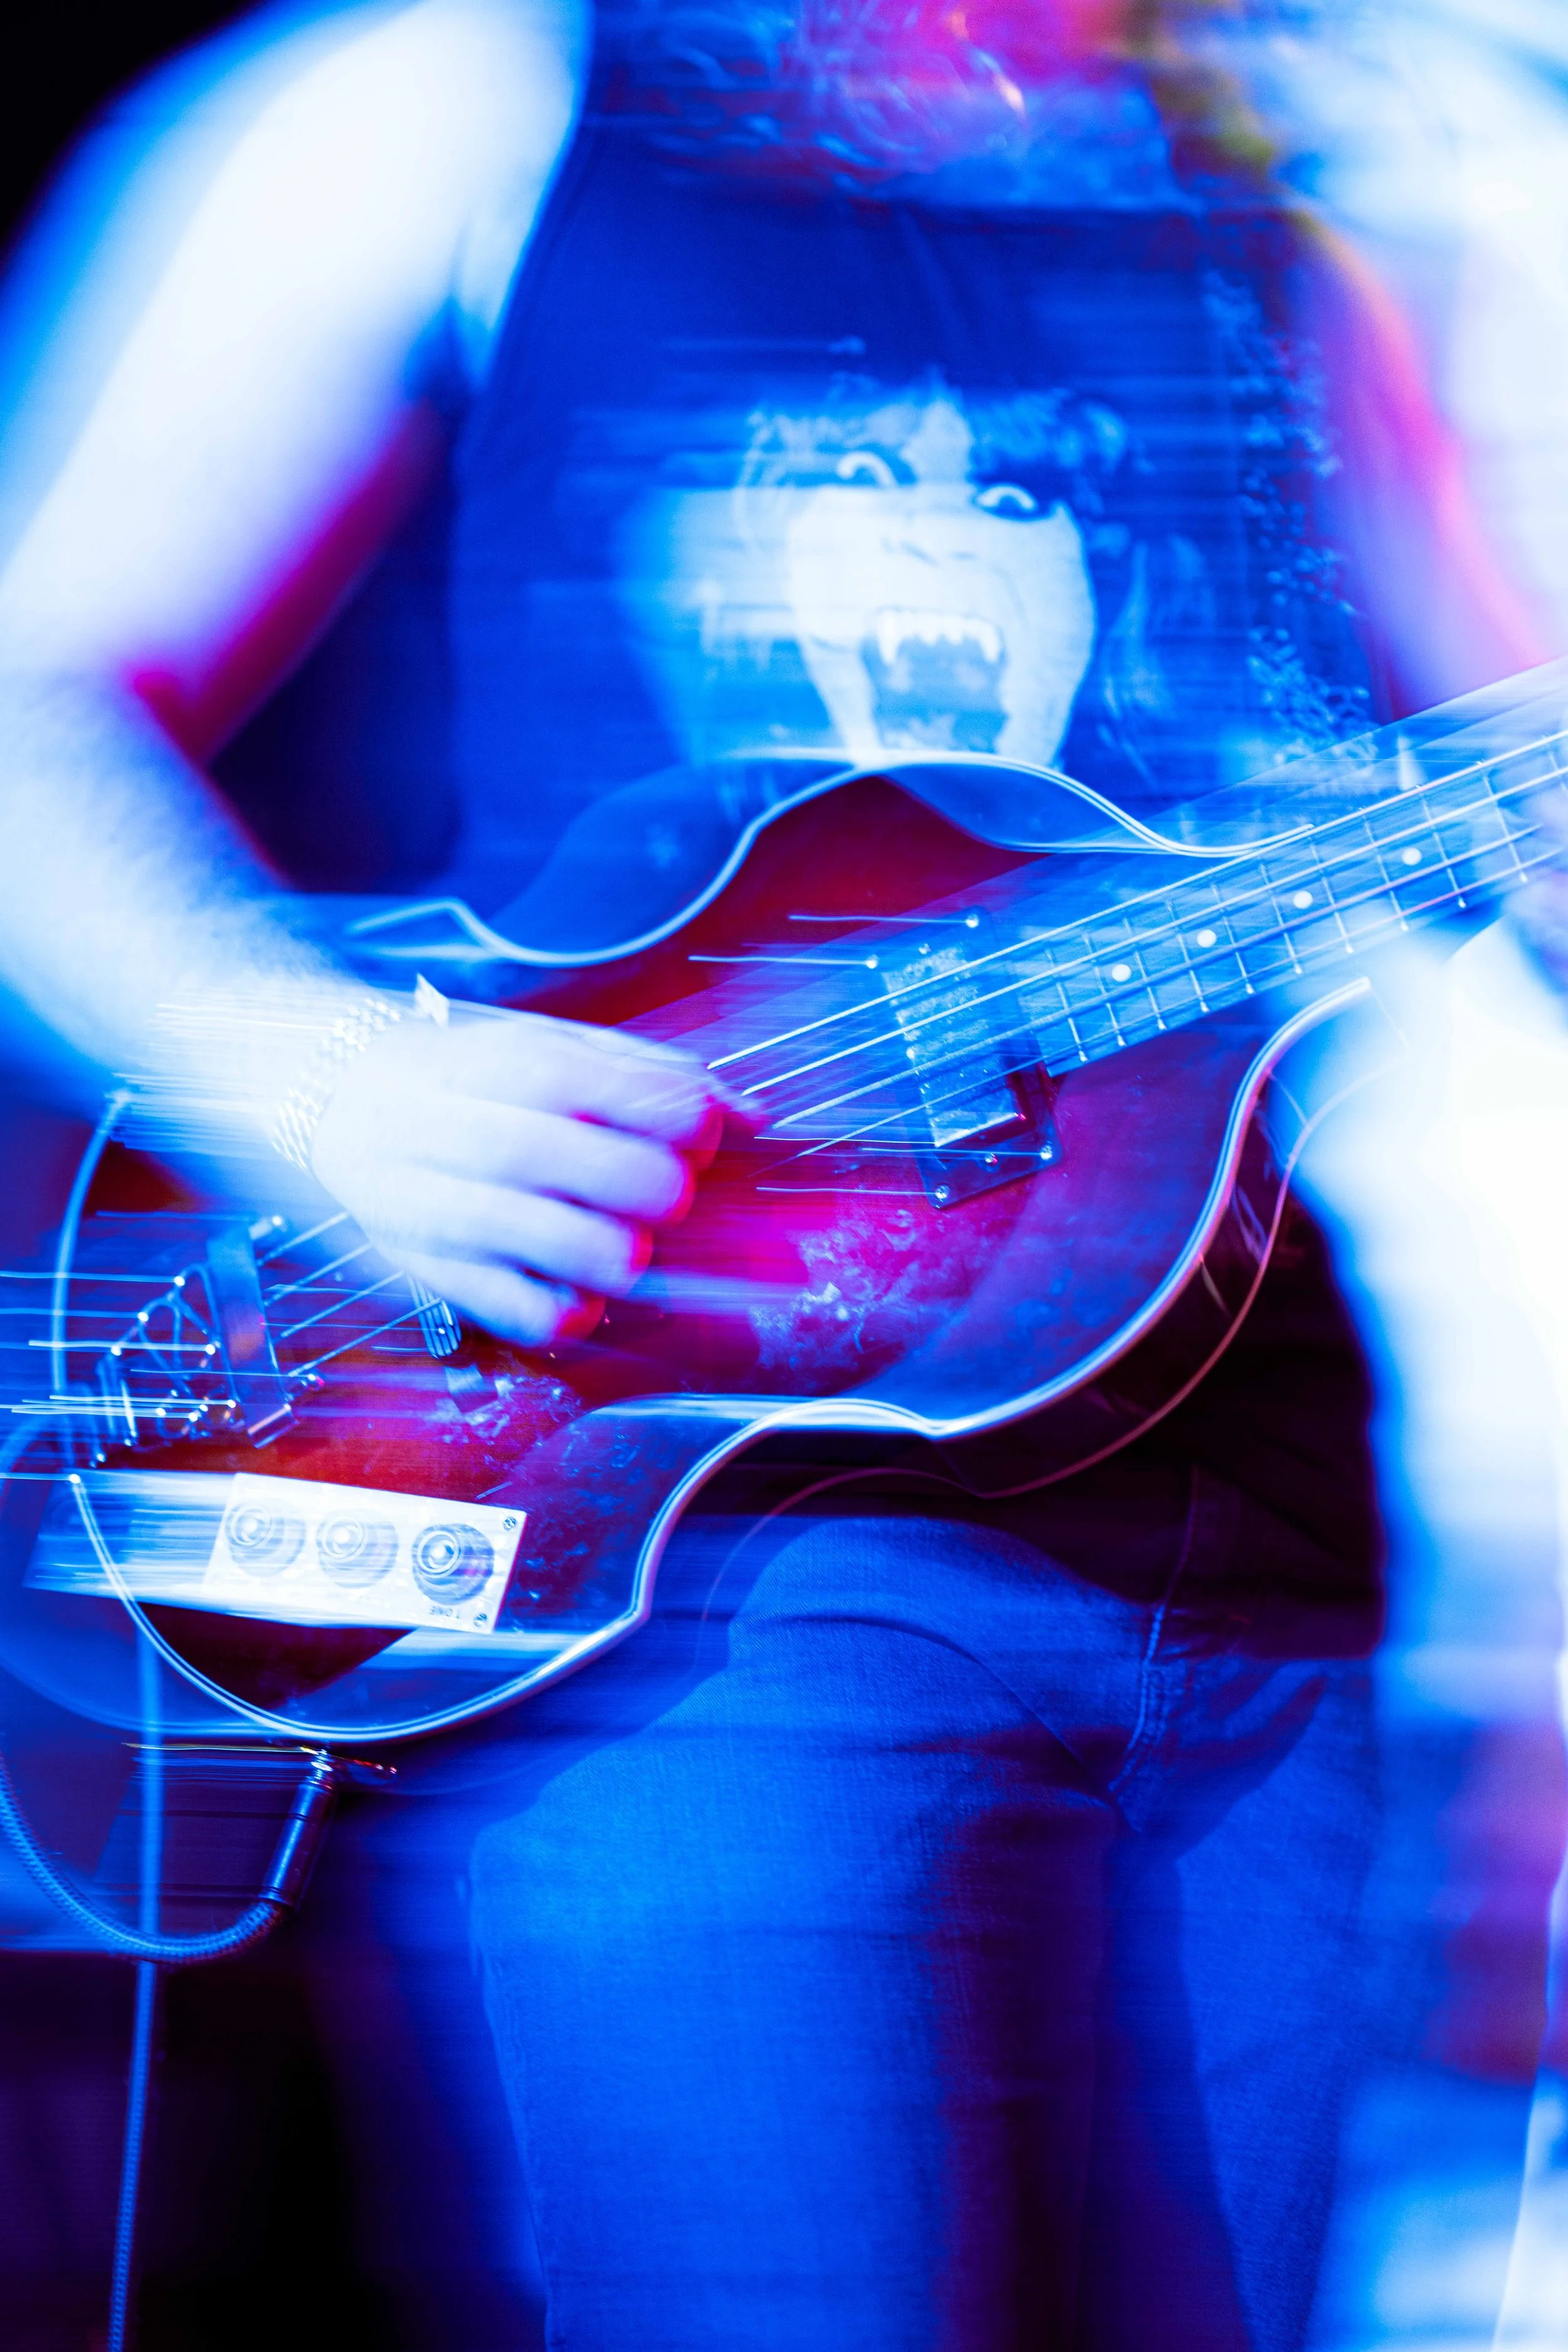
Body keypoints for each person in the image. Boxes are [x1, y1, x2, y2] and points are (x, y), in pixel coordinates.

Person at [0, 1, 1561, 2343]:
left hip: (1251, 1548)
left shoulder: (1341, 143)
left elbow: (1500, 752)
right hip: (671, 1544)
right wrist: (298, 1069)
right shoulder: (454, 94)